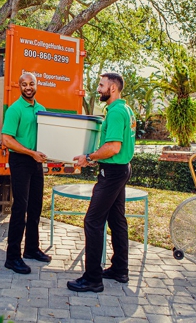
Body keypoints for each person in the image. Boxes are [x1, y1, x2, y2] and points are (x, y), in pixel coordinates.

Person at [67, 72, 136, 293]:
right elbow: (117, 149)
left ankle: (93, 278)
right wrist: (94, 159)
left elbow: (113, 147)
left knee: (93, 221)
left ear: (113, 88)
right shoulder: (126, 109)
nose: (98, 89)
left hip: (113, 173)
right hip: (121, 169)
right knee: (117, 221)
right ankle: (119, 270)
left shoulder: (116, 112)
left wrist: (89, 157)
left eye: (101, 85)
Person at [1, 72, 52, 274]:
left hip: (36, 162)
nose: (28, 87)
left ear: (37, 85)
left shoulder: (41, 109)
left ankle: (31, 249)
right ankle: (12, 257)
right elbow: (7, 139)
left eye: (31, 84)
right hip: (21, 161)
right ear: (19, 87)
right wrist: (31, 153)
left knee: (35, 206)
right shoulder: (15, 110)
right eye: (24, 84)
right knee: (20, 208)